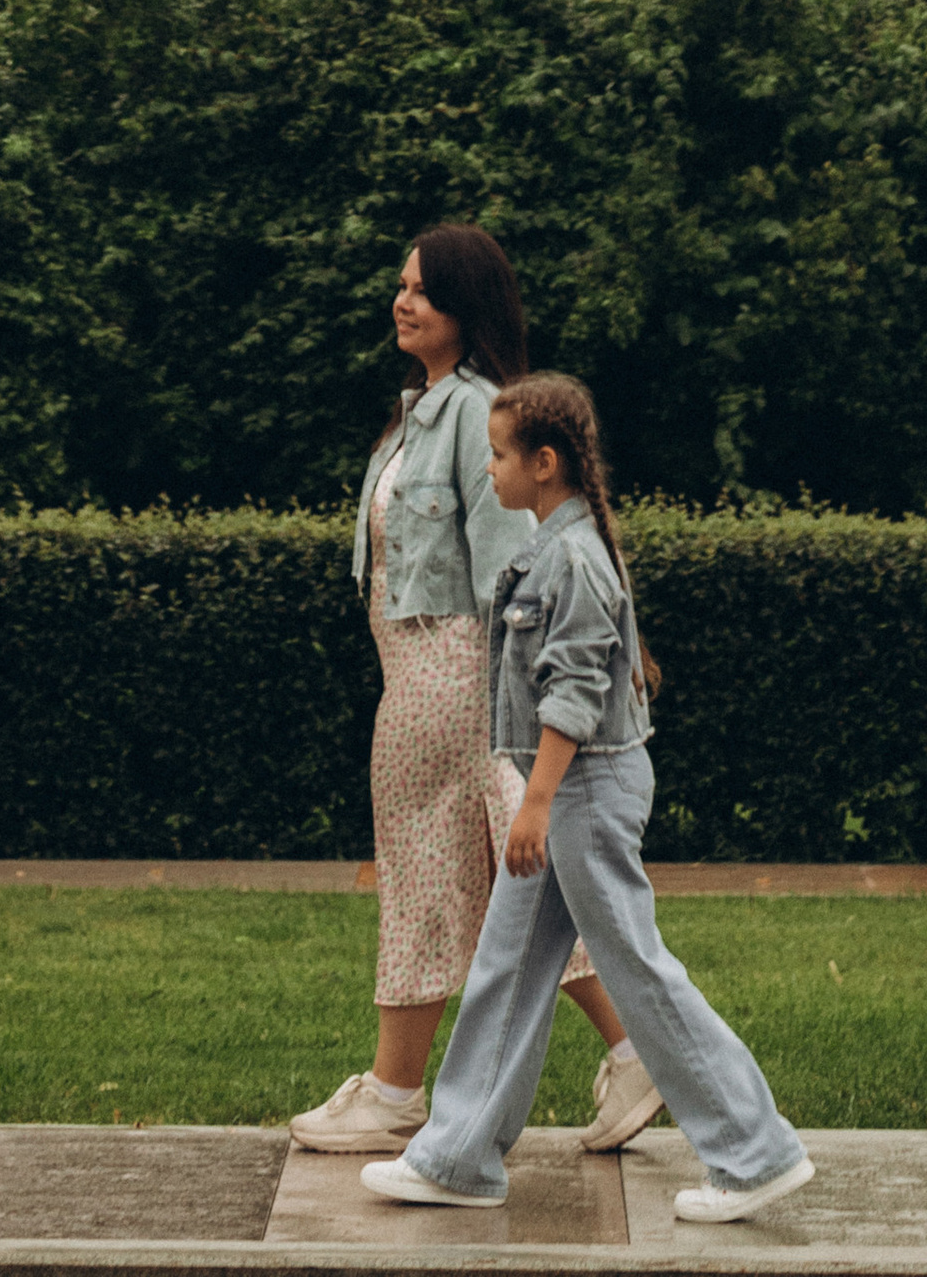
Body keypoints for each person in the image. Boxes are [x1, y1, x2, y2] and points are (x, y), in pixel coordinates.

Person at [362, 375, 816, 1227]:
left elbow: (569, 696)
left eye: (499, 456)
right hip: (569, 787)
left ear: (544, 463)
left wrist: (532, 805)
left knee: (638, 970)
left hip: (582, 790)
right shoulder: (552, 547)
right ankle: (459, 1155)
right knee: (506, 964)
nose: (488, 470)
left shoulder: (570, 558)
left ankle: (755, 1154)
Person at [288, 230, 657, 1159]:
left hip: (449, 670)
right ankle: (625, 1049)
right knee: (500, 883)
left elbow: (514, 574)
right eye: (401, 286)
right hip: (421, 670)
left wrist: (512, 714)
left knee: (434, 874)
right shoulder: (427, 410)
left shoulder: (476, 410)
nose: (402, 301)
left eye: (424, 290)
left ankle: (396, 1091)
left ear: (466, 306)